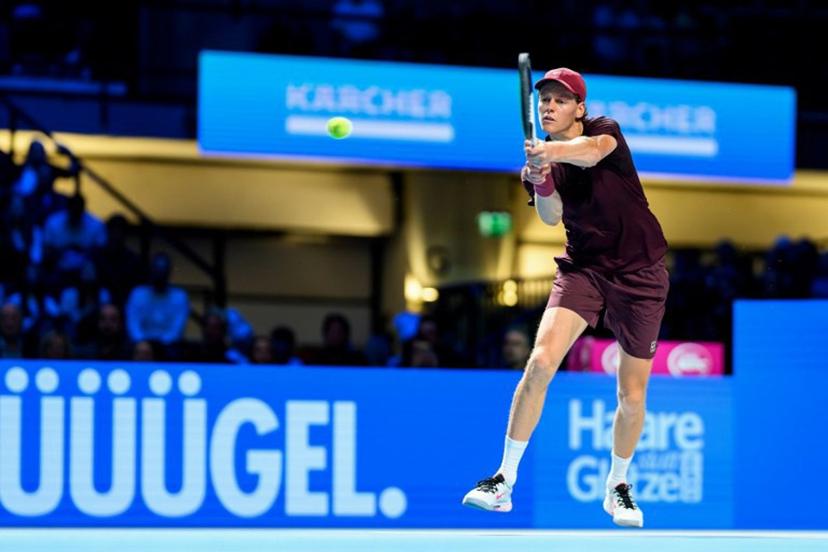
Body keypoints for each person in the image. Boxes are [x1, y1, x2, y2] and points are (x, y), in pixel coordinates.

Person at [462, 68, 668, 528]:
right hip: (584, 270)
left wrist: (549, 152)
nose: (548, 107)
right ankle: (503, 481)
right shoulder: (542, 161)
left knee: (631, 393)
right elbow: (552, 217)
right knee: (539, 363)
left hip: (641, 274)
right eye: (544, 101)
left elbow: (591, 154)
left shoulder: (604, 132)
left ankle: (617, 487)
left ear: (579, 108)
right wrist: (541, 176)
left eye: (559, 100)